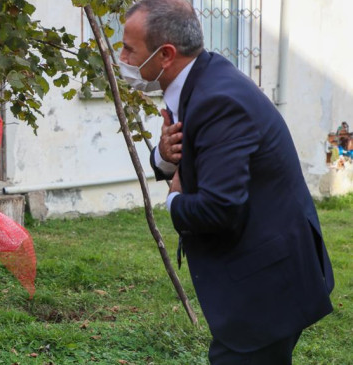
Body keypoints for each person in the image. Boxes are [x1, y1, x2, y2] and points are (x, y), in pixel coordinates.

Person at [119, 0, 335, 364]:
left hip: (267, 286)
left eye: (129, 48)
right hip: (259, 273)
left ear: (165, 54)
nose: (121, 57)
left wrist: (174, 202)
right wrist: (163, 157)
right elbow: (193, 155)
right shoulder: (199, 80)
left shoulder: (217, 100)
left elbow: (220, 209)